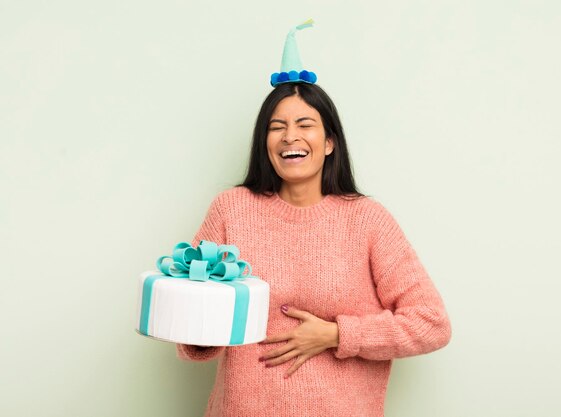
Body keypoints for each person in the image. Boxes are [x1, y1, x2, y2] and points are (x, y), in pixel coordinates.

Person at [176, 21, 451, 417]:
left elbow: (431, 323)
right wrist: (195, 329)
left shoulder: (367, 220)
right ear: (264, 142)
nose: (290, 137)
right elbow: (198, 320)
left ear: (329, 142)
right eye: (277, 127)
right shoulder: (231, 210)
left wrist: (338, 334)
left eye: (305, 125)